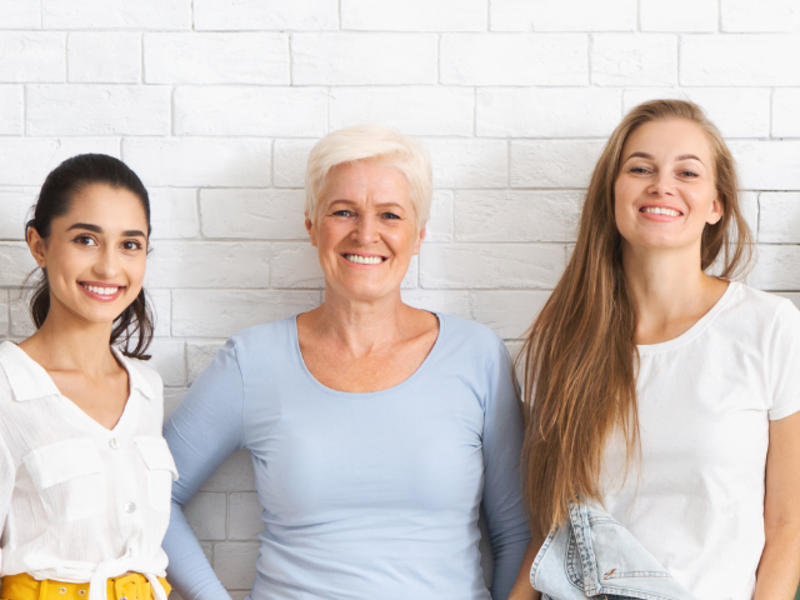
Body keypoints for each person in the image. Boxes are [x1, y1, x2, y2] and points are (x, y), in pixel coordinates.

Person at [162, 124, 531, 600]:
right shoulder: (252, 363)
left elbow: (516, 532)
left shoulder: (476, 355)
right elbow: (146, 496)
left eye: (390, 215)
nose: (366, 233)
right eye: (344, 212)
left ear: (418, 235)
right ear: (312, 226)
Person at [508, 99, 800, 600]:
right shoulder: (564, 344)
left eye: (687, 172)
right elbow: (552, 532)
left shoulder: (770, 328)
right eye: (640, 168)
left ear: (716, 205)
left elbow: (787, 527)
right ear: (612, 194)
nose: (661, 185)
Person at [0, 154, 177, 600]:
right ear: (39, 245)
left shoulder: (147, 389)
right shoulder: (6, 387)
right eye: (86, 239)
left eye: (130, 245)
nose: (108, 268)